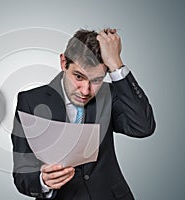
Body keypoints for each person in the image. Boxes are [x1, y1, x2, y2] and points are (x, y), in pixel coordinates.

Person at [11, 28, 156, 200]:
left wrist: (116, 64)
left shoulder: (109, 94)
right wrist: (43, 181)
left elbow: (143, 127)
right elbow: (22, 174)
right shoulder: (30, 101)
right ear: (63, 63)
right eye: (78, 77)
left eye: (96, 80)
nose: (86, 91)